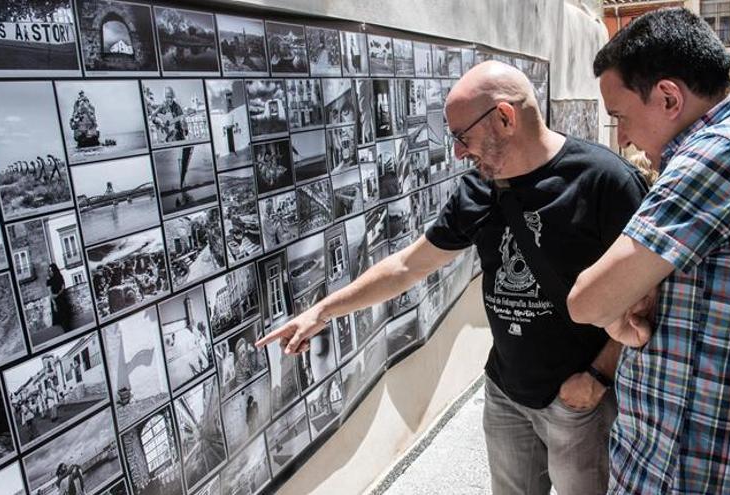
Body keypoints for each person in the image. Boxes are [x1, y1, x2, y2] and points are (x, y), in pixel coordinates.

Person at [258, 60, 648, 494]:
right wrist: (324, 310)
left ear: (505, 117)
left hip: (579, 402)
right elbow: (408, 266)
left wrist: (595, 378)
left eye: (463, 136)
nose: (459, 152)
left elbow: (647, 296)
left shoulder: (605, 182)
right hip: (506, 393)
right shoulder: (481, 189)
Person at [566, 8, 730, 494]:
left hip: (684, 473)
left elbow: (588, 301)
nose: (621, 137)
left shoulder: (724, 152)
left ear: (667, 97)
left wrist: (614, 308)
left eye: (620, 116)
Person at [47, 263, 73, 331]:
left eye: (51, 270)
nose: (50, 272)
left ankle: (68, 328)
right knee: (61, 315)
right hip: (56, 299)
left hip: (61, 297)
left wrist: (58, 294)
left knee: (65, 314)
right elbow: (50, 293)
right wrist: (54, 303)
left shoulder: (59, 276)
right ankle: (66, 329)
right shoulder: (49, 279)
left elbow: (63, 287)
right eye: (49, 270)